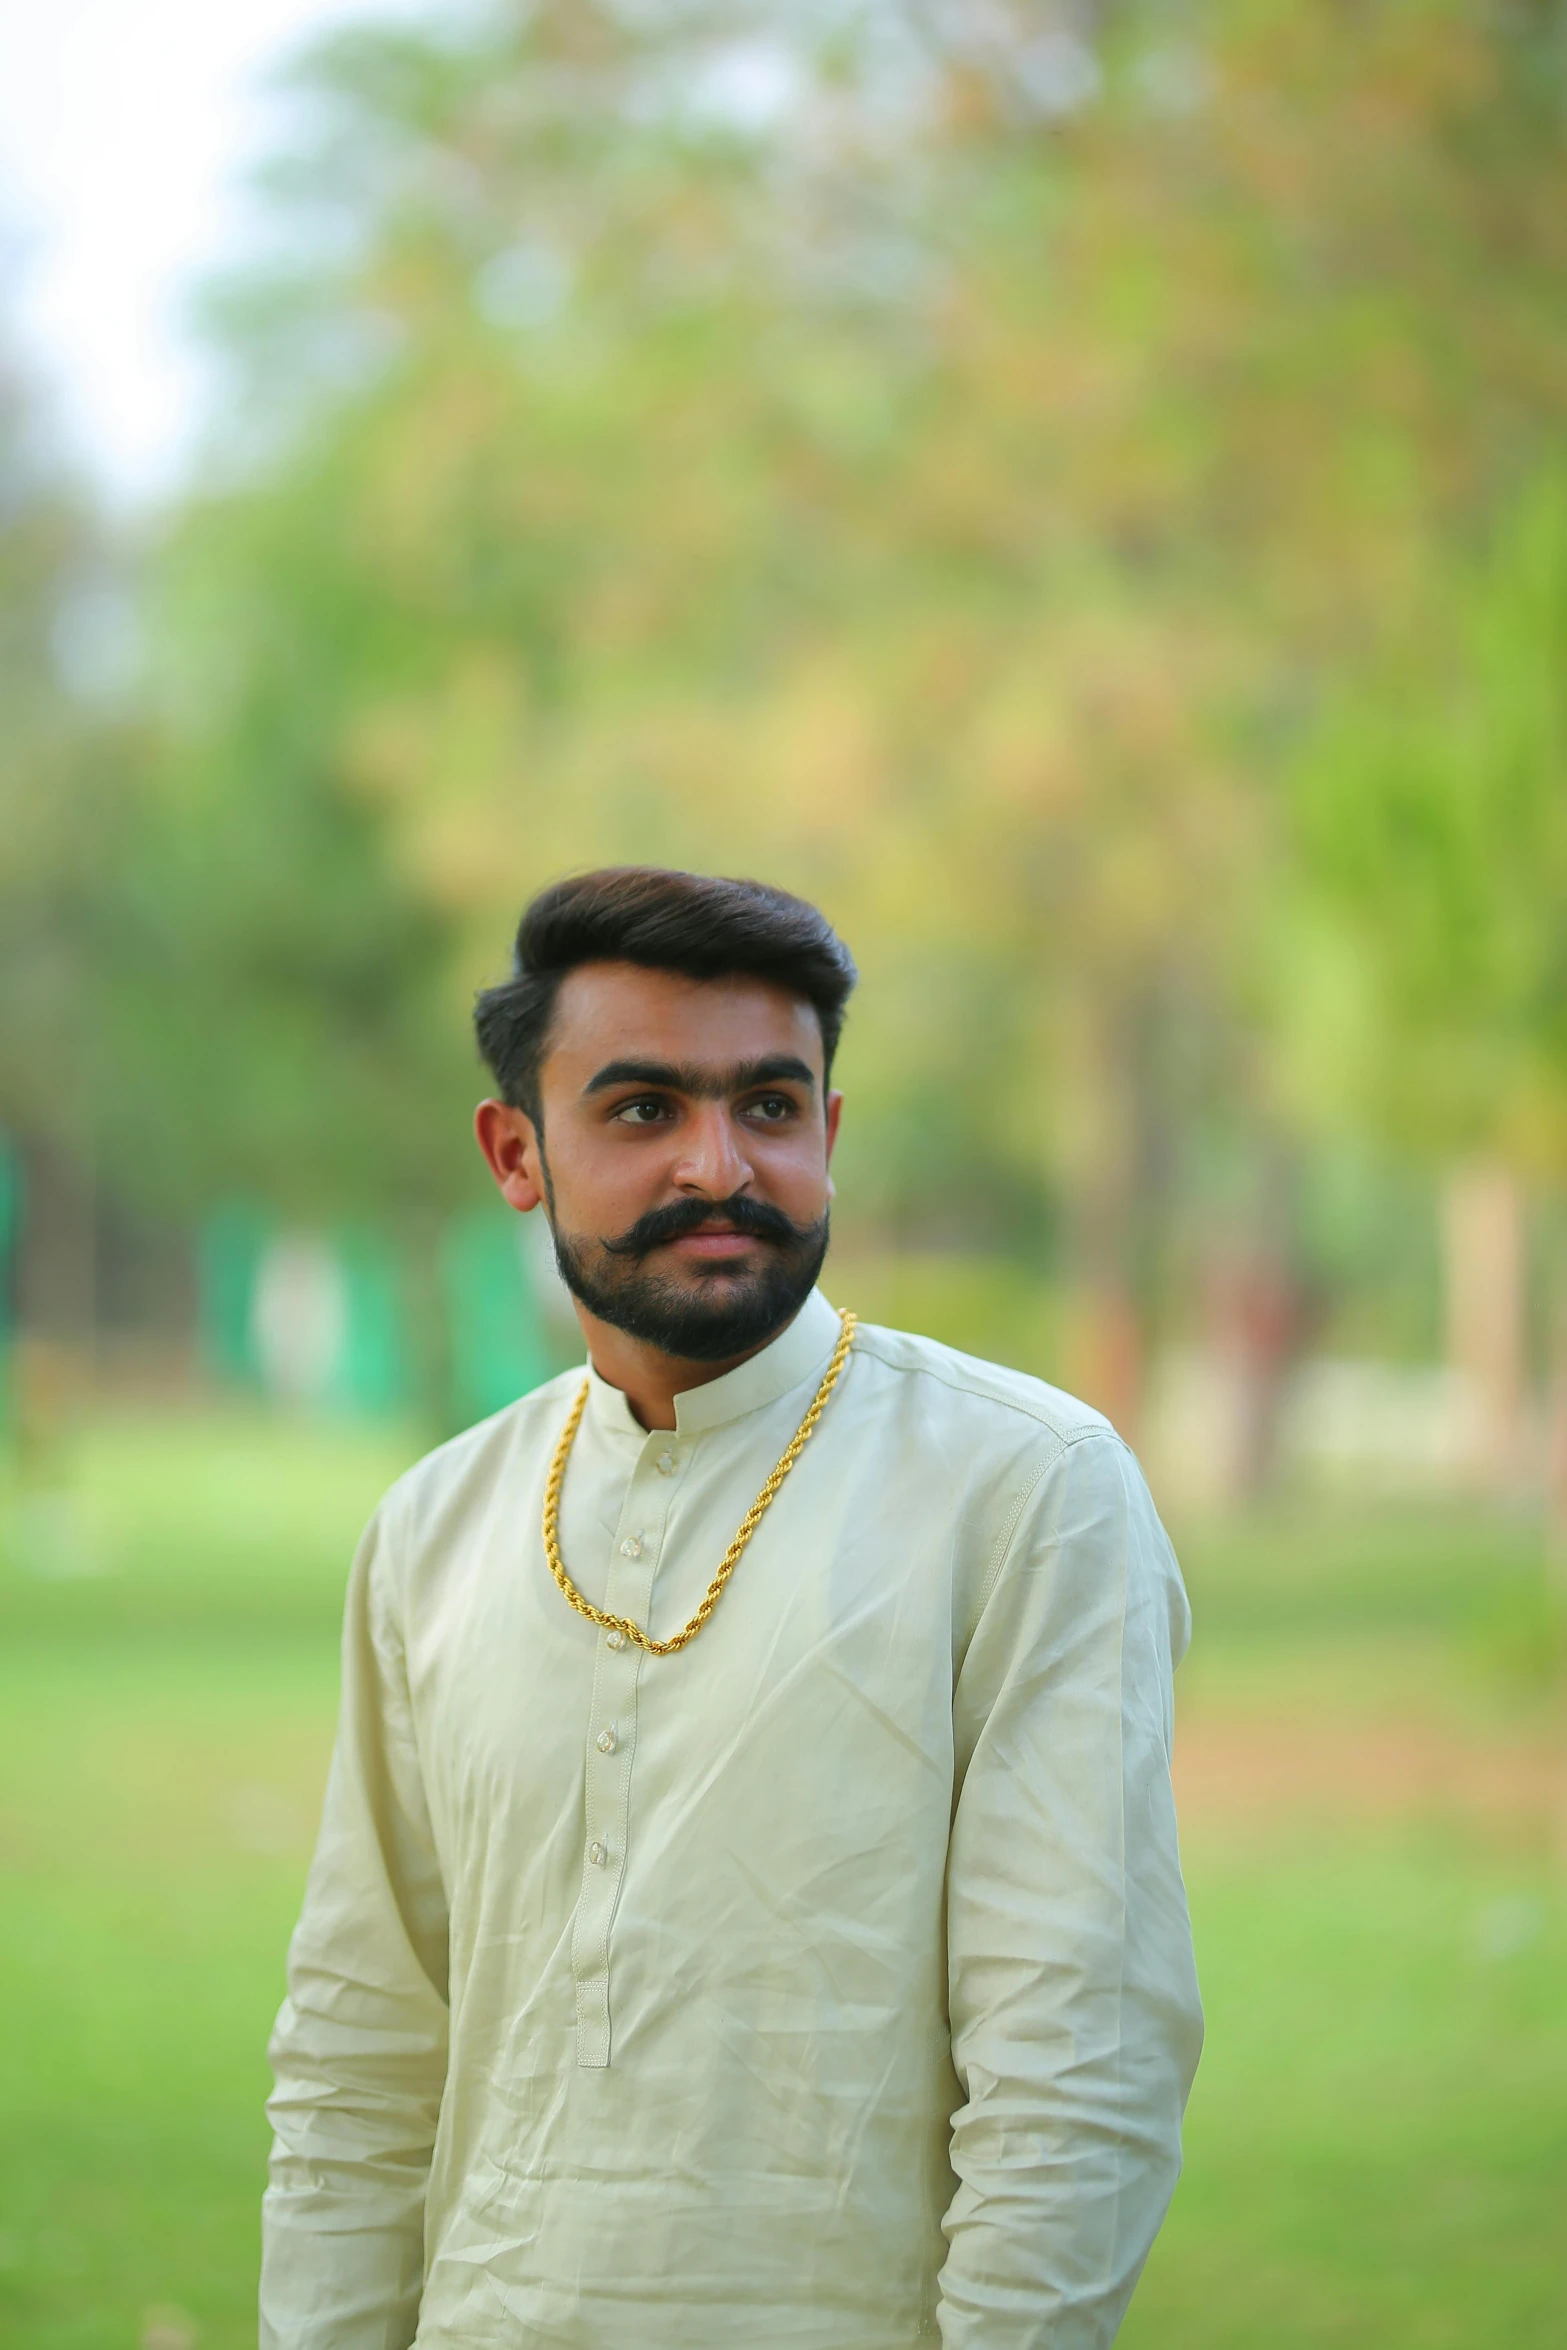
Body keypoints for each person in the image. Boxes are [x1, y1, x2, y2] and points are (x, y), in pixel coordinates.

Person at [260, 866, 1202, 2350]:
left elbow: (1074, 2059)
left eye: (768, 1106)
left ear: (827, 1130)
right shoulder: (434, 1527)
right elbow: (359, 2048)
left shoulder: (1023, 1490)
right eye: (641, 1109)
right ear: (518, 1151)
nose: (721, 1165)